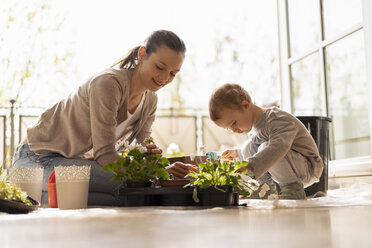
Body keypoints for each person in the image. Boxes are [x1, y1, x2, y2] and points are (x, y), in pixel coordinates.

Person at [12, 30, 197, 206]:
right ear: (142, 54)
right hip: (36, 160)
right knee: (130, 187)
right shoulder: (109, 83)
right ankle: (39, 193)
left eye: (173, 73)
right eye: (160, 67)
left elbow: (141, 155)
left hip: (73, 164)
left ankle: (46, 196)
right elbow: (106, 155)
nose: (164, 78)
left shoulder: (150, 100)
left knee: (132, 193)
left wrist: (160, 168)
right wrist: (160, 176)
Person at [208, 83, 324, 199]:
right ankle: (265, 189)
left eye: (234, 123)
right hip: (293, 163)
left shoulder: (276, 119)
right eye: (229, 128)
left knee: (266, 147)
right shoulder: (254, 127)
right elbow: (257, 150)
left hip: (308, 167)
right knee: (248, 146)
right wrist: (238, 153)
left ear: (245, 105)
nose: (234, 130)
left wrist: (252, 166)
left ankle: (293, 190)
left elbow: (279, 146)